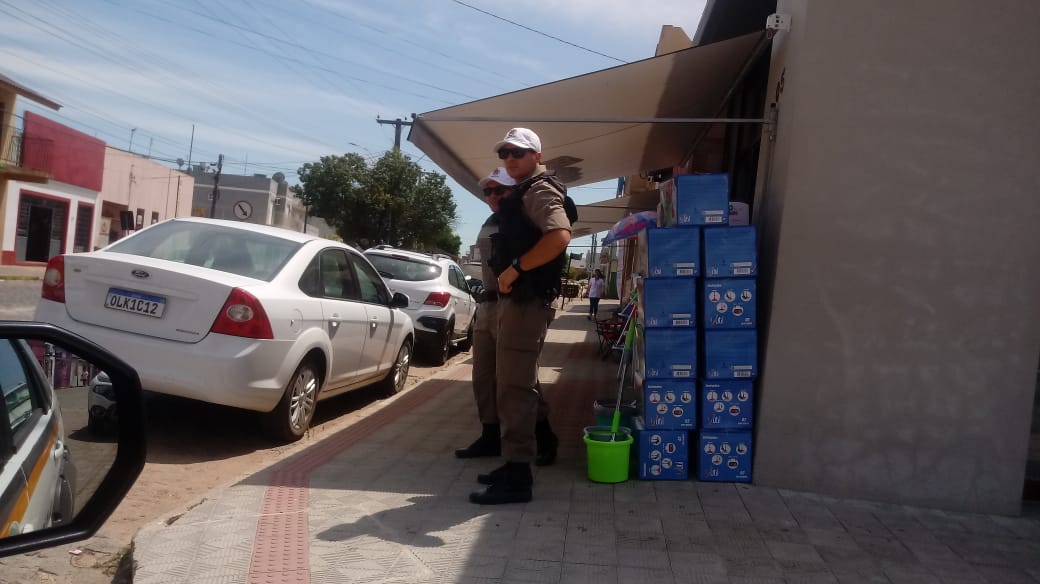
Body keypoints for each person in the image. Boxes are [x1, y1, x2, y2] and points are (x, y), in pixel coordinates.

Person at [469, 128, 571, 505]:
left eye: (518, 152)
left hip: (527, 302)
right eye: (505, 153)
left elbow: (559, 235)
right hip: (516, 302)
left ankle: (518, 477)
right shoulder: (526, 189)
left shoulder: (540, 189)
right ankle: (513, 465)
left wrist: (516, 269)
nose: (510, 158)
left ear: (536, 155)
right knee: (509, 385)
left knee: (515, 387)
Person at [455, 168, 557, 467]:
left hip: (517, 304)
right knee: (483, 377)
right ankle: (490, 435)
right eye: (488, 191)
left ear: (515, 191)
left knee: (517, 379)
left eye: (500, 190)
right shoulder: (490, 221)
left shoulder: (525, 218)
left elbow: (551, 245)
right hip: (487, 305)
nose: (493, 196)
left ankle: (544, 435)